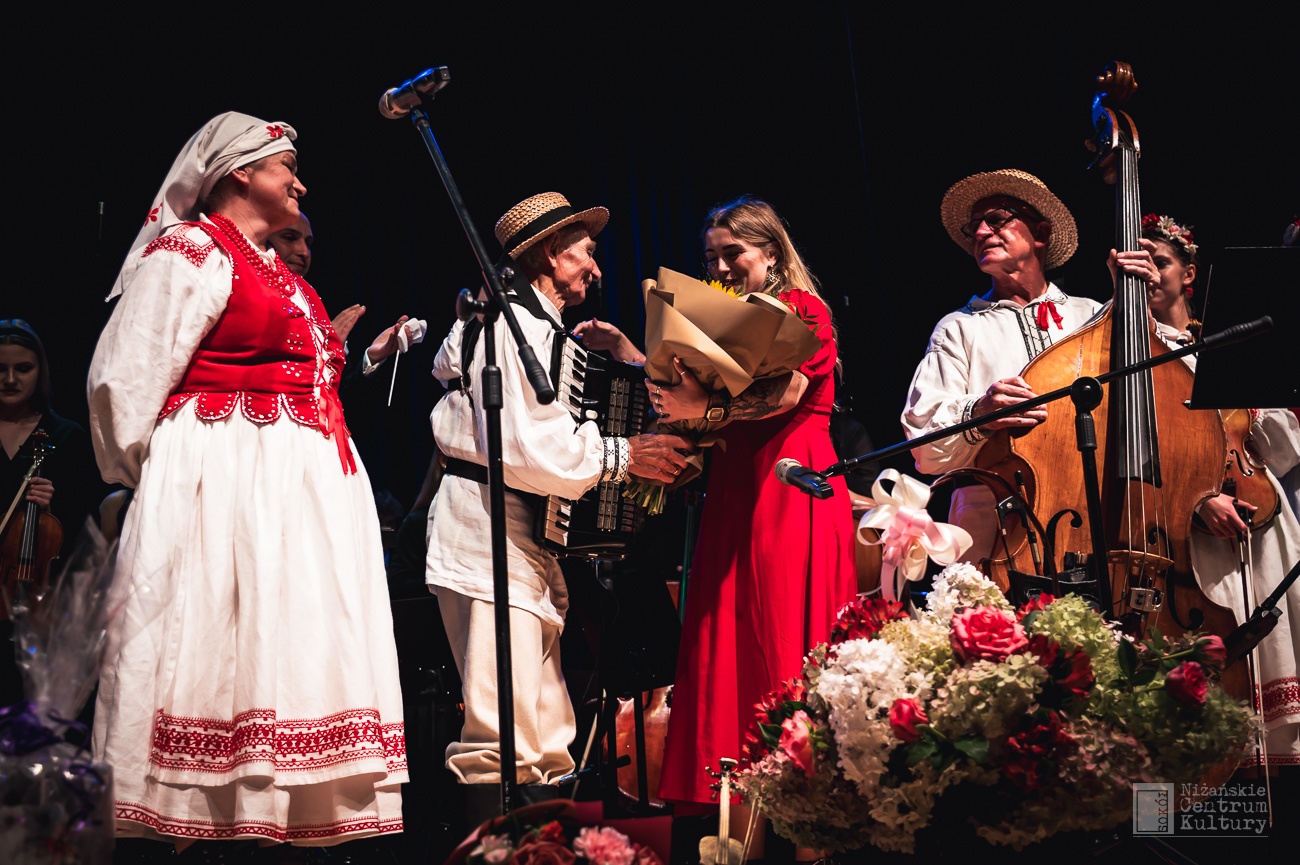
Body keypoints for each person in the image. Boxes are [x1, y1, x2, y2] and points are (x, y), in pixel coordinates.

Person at [86, 112, 407, 850]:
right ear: (240, 172)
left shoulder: (276, 271)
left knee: (284, 648)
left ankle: (272, 814)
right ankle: (201, 818)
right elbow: (124, 377)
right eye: (286, 166)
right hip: (226, 482)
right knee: (219, 638)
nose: (300, 183)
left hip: (294, 493)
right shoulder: (191, 251)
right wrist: (168, 483)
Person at [424, 191, 693, 826]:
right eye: (586, 252)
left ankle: (543, 848)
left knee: (543, 732)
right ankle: (500, 852)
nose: (596, 268)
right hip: (486, 530)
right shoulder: (507, 326)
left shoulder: (537, 330)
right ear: (550, 253)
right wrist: (625, 455)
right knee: (503, 730)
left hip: (523, 537)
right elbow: (524, 447)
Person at [653, 196, 857, 860]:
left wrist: (704, 405)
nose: (719, 268)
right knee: (733, 663)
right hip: (734, 496)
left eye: (732, 253)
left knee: (787, 650)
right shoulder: (723, 320)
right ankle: (738, 845)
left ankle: (812, 846)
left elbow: (784, 394)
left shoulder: (804, 311)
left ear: (770, 251)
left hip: (790, 487)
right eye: (710, 257)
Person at [1131, 213, 1300, 763]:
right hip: (1185, 525)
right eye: (1139, 264)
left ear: (1189, 274)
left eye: (1160, 262)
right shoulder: (1128, 353)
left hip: (1259, 512)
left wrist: (1249, 412)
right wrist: (1197, 498)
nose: (1148, 273)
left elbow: (1282, 447)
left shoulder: (1229, 339)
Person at [901, 169, 1103, 563]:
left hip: (1091, 511)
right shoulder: (959, 327)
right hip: (994, 525)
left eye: (996, 219)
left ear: (1040, 233)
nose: (979, 233)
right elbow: (924, 449)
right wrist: (980, 413)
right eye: (974, 226)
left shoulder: (1091, 316)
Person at [1, 318, 104, 706]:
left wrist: (53, 507)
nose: (11, 379)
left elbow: (89, 526)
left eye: (23, 368)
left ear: (40, 371)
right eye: (0, 369)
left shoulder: (66, 436)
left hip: (42, 598)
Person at [268, 211, 425, 385]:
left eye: (308, 243)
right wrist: (321, 348)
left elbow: (343, 396)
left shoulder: (318, 309)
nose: (304, 252)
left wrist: (373, 357)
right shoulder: (249, 299)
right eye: (289, 238)